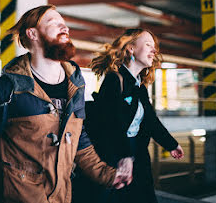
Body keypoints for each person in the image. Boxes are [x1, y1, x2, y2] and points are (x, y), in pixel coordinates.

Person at [0, 5, 133, 203]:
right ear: (32, 33)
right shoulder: (7, 88)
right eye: (54, 23)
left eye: (65, 24)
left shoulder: (75, 83)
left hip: (60, 197)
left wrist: (106, 175)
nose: (65, 27)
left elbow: (78, 138)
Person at [72, 28, 184, 203]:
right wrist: (124, 156)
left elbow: (150, 120)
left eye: (154, 47)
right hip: (113, 155)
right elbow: (111, 122)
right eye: (148, 45)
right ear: (131, 48)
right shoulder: (114, 80)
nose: (154, 50)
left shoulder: (139, 85)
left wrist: (171, 144)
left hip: (136, 156)